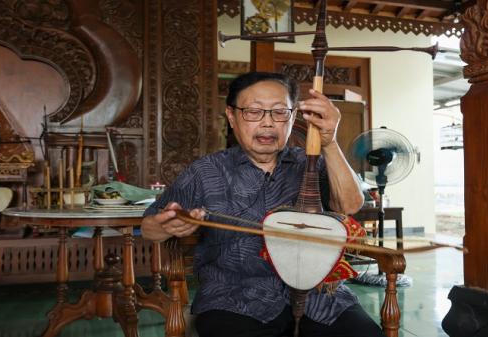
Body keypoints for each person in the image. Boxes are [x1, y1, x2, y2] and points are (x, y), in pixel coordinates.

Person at [142, 72, 385, 337]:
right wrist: (168, 225)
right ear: (232, 117)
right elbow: (149, 227)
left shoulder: (311, 163)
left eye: (280, 112)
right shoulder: (205, 171)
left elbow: (350, 205)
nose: (268, 123)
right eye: (254, 112)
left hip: (319, 296)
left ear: (292, 118)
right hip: (233, 299)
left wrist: (329, 143)